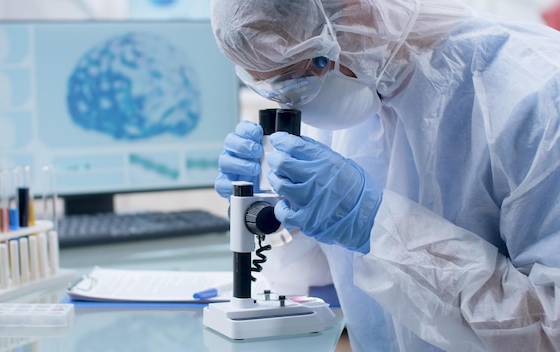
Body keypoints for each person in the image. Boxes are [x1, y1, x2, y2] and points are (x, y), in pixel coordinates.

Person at [210, 0, 560, 351]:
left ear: (356, 9)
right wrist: (277, 219)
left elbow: (551, 328)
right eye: (271, 82)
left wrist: (378, 226)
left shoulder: (537, 96)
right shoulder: (354, 87)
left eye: (300, 72)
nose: (295, 97)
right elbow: (323, 278)